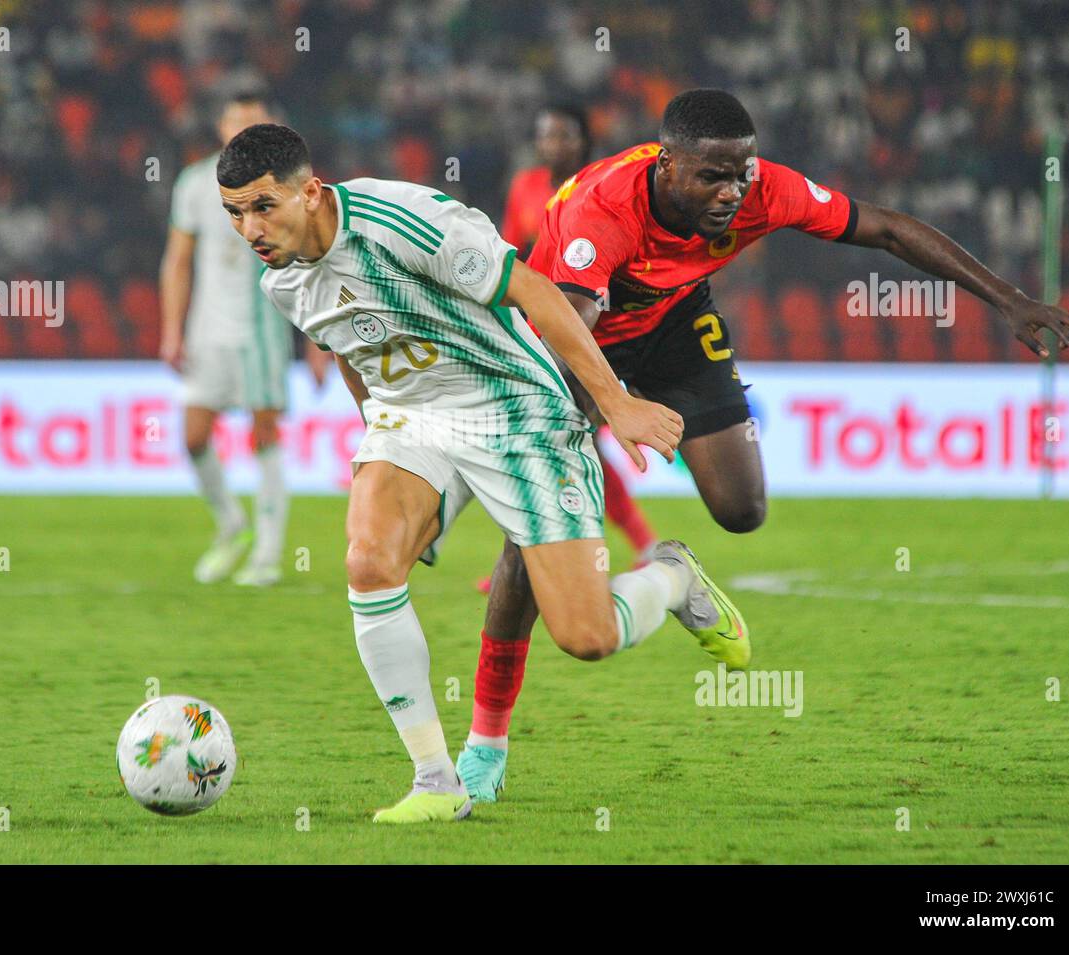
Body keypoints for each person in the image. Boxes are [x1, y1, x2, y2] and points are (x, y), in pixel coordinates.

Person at [455, 87, 1069, 803]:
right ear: (668, 166)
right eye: (712, 177)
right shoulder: (602, 210)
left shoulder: (765, 192)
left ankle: (675, 567)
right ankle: (486, 741)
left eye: (741, 175)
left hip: (674, 324)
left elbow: (884, 229)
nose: (731, 193)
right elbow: (567, 329)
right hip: (570, 345)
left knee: (742, 507)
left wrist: (1009, 298)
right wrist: (613, 406)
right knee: (527, 545)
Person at [216, 122, 748, 823]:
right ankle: (436, 781)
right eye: (234, 213)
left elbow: (535, 290)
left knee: (587, 637)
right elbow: (347, 344)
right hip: (413, 417)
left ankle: (673, 574)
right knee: (368, 560)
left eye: (262, 205)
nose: (248, 227)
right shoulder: (282, 281)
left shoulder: (403, 222)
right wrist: (378, 439)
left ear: (310, 192)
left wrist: (616, 403)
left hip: (513, 408)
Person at [493, 104, 658, 592]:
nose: (553, 145)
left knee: (565, 441)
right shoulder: (526, 186)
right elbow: (507, 251)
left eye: (564, 136)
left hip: (589, 329)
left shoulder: (601, 186)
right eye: (545, 136)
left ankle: (542, 562)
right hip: (536, 330)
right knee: (557, 443)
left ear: (584, 142)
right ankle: (535, 560)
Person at [160, 91, 290, 586]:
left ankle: (269, 556)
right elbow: (176, 260)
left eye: (253, 124)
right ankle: (231, 523)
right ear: (221, 127)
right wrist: (172, 328)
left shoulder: (284, 185)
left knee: (264, 435)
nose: (242, 131)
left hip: (261, 329)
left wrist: (320, 344)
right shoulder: (195, 184)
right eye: (236, 122)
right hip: (207, 331)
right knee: (192, 437)